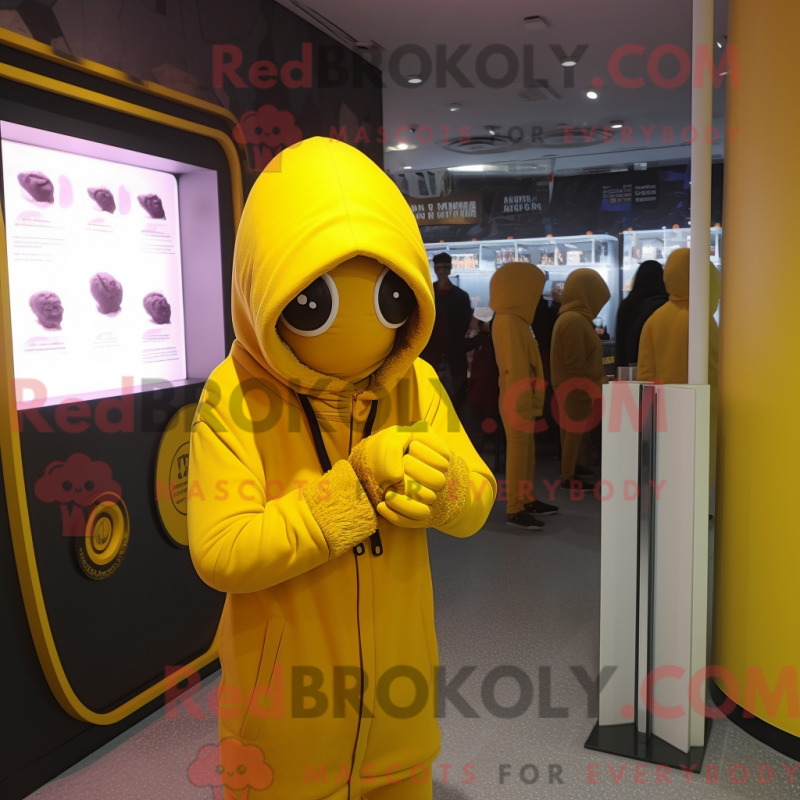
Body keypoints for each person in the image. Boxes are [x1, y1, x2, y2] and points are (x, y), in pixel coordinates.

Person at [187, 138, 496, 800]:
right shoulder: (234, 394)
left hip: (400, 714)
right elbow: (222, 551)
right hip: (283, 733)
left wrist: (445, 492)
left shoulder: (416, 383)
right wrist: (353, 492)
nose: (365, 328)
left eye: (392, 298)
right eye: (313, 302)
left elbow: (477, 498)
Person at [490, 262, 559, 529]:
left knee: (526, 451)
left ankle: (526, 499)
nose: (537, 297)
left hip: (521, 396)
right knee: (519, 452)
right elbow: (515, 367)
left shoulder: (516, 320)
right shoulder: (509, 321)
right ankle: (515, 508)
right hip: (517, 398)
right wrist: (526, 400)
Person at [551, 269, 611, 491]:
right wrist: (583, 388)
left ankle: (571, 468)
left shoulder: (571, 318)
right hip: (575, 387)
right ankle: (569, 475)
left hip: (571, 385)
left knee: (570, 432)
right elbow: (575, 361)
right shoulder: (575, 320)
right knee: (573, 432)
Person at [432, 252, 473, 410]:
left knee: (454, 400)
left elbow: (465, 325)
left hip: (451, 354)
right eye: (439, 268)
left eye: (445, 267)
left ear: (450, 269)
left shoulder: (459, 296)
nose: (442, 271)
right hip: (438, 354)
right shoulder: (458, 295)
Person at [614, 260, 668, 369]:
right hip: (654, 368)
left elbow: (620, 343)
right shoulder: (663, 305)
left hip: (627, 368)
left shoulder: (626, 305)